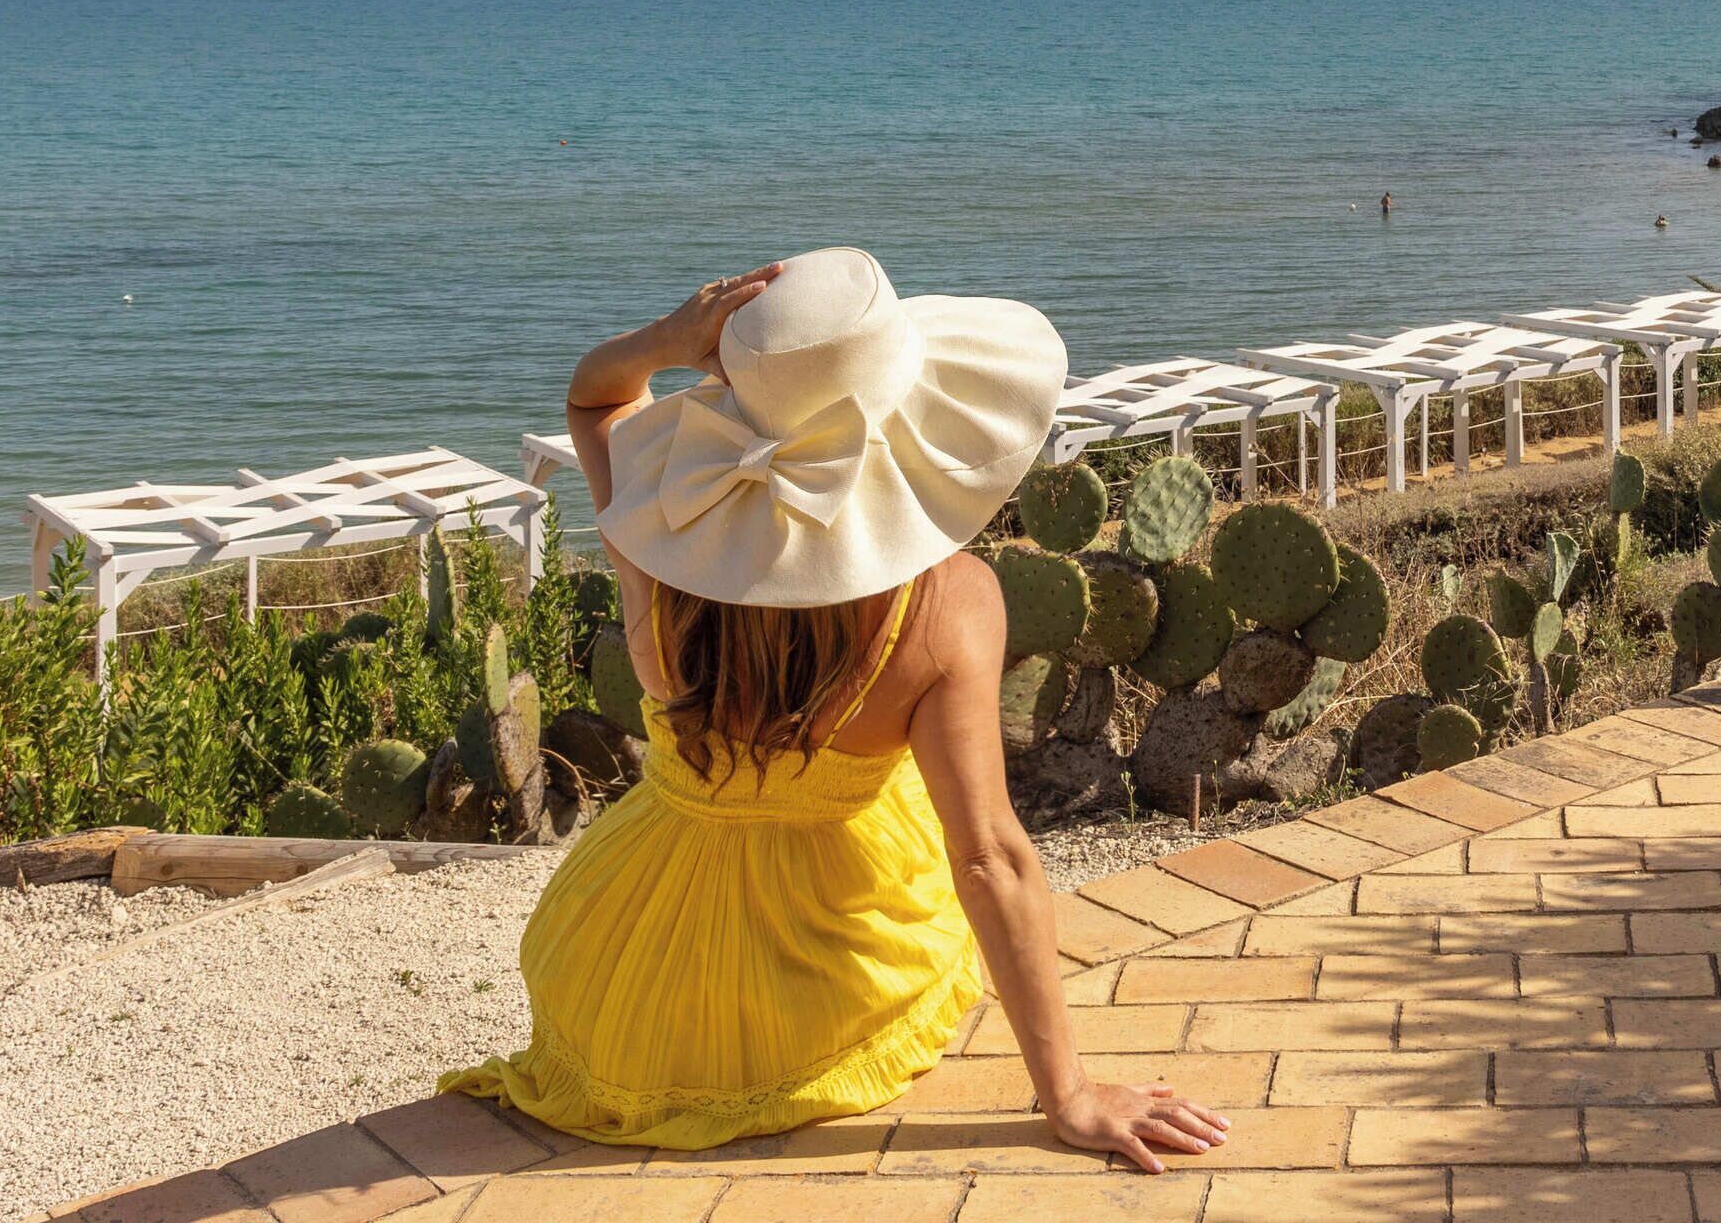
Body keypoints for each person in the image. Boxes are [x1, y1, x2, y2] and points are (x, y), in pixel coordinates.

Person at [445, 249, 1228, 1170]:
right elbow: (986, 857)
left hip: (622, 980)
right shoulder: (950, 602)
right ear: (917, 414)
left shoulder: (664, 519)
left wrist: (667, 337)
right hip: (820, 994)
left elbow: (593, 400)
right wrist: (1071, 1097)